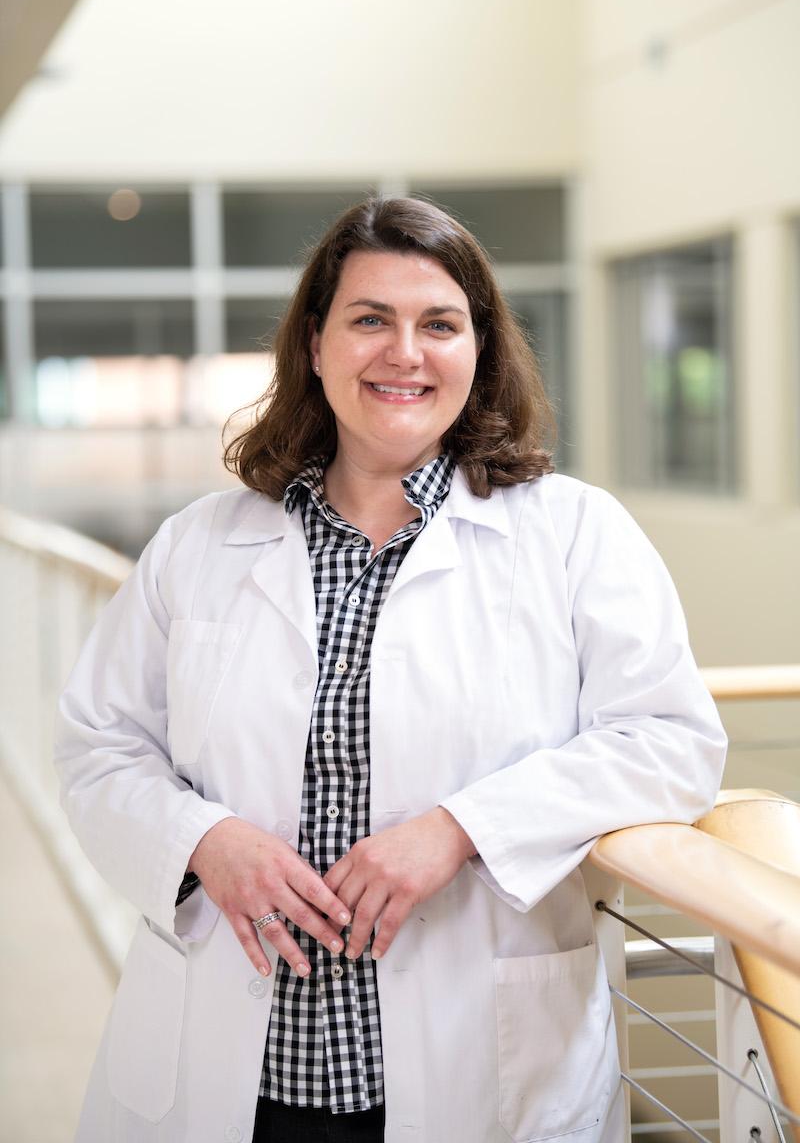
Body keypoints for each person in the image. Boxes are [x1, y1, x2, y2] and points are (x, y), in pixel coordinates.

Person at [55, 196, 728, 1143]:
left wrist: (462, 828)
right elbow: (100, 745)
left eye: (439, 324)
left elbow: (670, 741)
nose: (404, 353)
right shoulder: (199, 544)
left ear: (478, 354)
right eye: (370, 319)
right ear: (316, 345)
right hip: (233, 1073)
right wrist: (204, 839)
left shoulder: (575, 532)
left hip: (478, 1071)